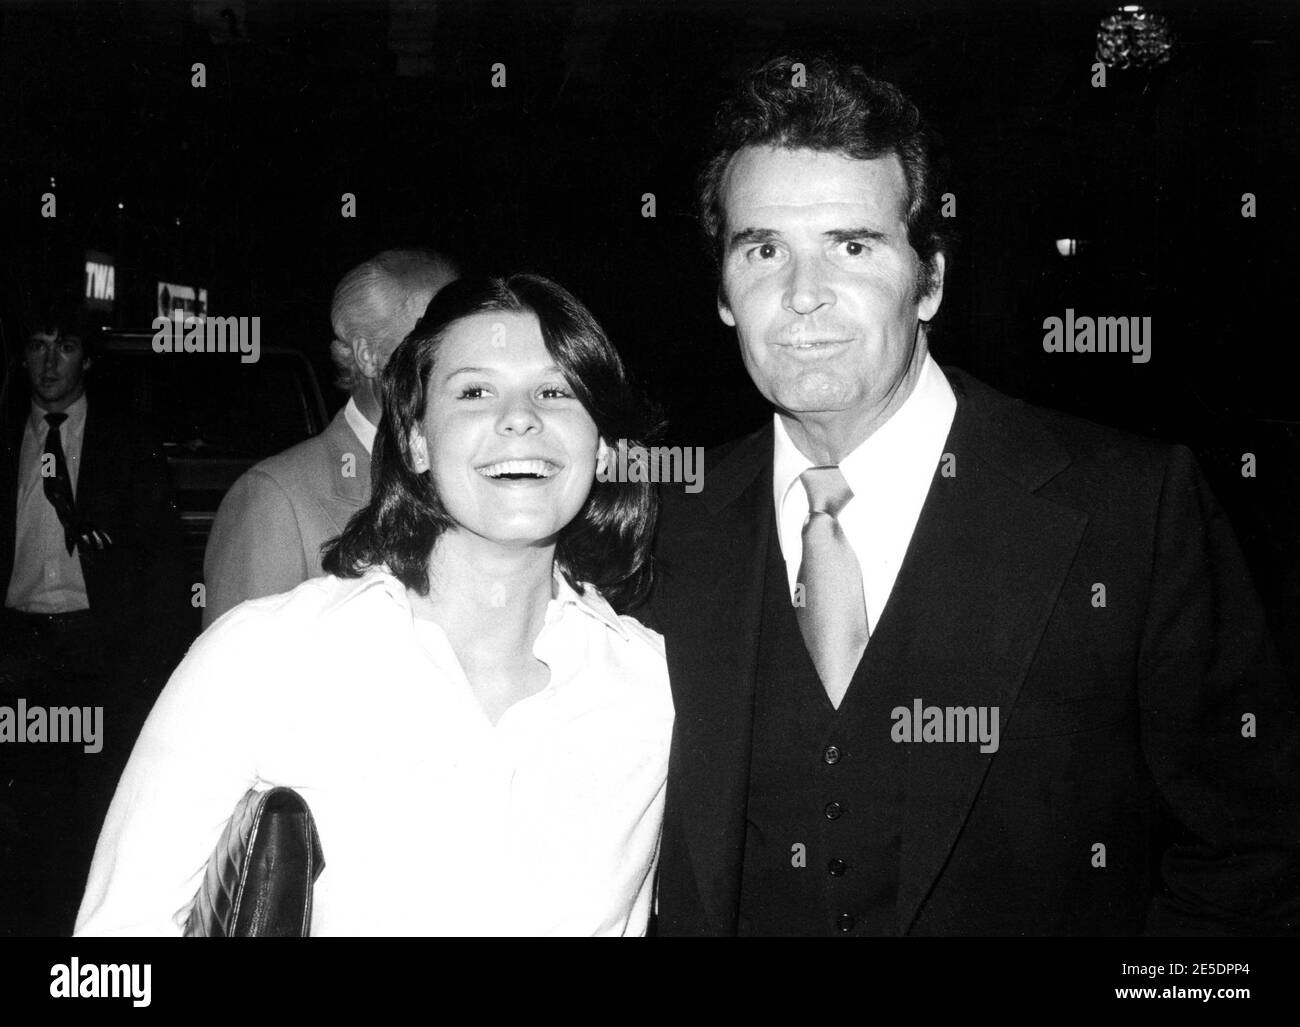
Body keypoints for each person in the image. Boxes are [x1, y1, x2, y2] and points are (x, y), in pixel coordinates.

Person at [647, 55, 1300, 936]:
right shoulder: (662, 529)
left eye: (853, 245)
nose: (804, 296)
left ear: (933, 280)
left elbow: (1255, 856)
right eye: (763, 250)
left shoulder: (1129, 509)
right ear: (724, 294)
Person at [75, 273, 672, 936]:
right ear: (415, 440)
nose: (519, 416)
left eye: (555, 390)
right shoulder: (265, 656)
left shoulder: (649, 689)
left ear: (602, 442)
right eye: (475, 390)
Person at [0, 295, 187, 936]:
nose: (50, 363)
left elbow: (161, 566)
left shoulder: (125, 442)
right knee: (22, 819)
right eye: (37, 345)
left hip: (101, 654)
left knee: (99, 815)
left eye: (66, 346)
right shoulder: (7, 438)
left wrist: (155, 671)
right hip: (19, 653)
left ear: (88, 359)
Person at [201, 248, 459, 627]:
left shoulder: (472, 477)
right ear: (368, 355)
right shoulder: (275, 498)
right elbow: (235, 677)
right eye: (428, 341)